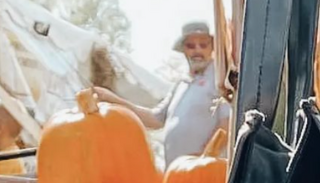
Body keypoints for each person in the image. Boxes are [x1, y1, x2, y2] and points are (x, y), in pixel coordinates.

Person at [93, 20, 225, 165]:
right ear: (184, 50)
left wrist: (205, 157)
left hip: (207, 172)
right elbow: (155, 119)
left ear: (212, 47)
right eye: (191, 45)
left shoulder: (220, 79)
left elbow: (227, 123)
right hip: (177, 174)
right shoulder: (180, 85)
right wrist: (112, 99)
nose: (197, 50)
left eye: (203, 44)